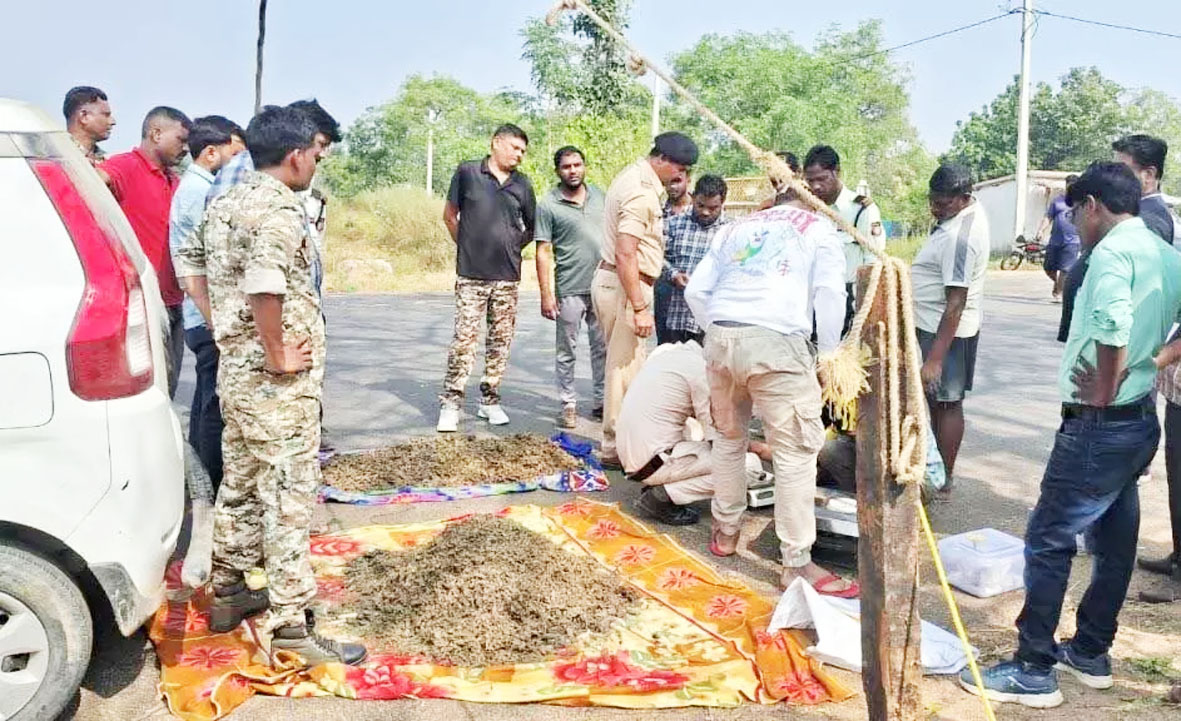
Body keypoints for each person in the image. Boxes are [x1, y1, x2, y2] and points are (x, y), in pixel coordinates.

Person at [963, 162, 1181, 708]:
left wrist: (1107, 385)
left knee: (1048, 540)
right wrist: (1151, 363)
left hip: (1098, 425)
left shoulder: (1111, 255)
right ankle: (1088, 651)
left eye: (1071, 213)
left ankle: (1033, 667)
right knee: (1113, 543)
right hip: (1135, 422)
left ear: (1090, 205)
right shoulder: (1164, 252)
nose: (1071, 226)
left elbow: (1110, 325)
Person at [202, 105, 366, 667]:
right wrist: (273, 352)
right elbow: (266, 281)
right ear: (296, 155)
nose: (318, 163)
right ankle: (292, 623)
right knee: (289, 497)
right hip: (277, 386)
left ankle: (227, 589)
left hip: (238, 375)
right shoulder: (279, 208)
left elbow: (193, 270)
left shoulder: (224, 202)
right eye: (317, 154)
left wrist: (233, 338)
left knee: (241, 482)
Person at [684, 191, 856, 597]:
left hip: (722, 334)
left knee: (728, 439)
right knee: (796, 450)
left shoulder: (735, 227)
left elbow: (695, 291)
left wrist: (718, 331)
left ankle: (726, 532)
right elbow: (830, 295)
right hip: (777, 340)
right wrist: (828, 357)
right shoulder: (820, 227)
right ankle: (796, 564)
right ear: (811, 204)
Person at [593, 132, 698, 467]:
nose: (679, 177)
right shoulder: (641, 191)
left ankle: (624, 443)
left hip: (623, 282)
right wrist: (638, 306)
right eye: (678, 169)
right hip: (626, 285)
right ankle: (615, 448)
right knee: (622, 372)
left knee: (628, 370)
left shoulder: (635, 178)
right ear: (663, 160)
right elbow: (626, 253)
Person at [437, 124, 536, 432]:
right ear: (496, 143)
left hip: (507, 277)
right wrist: (467, 244)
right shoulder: (468, 172)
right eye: (514, 147)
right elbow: (449, 215)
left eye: (523, 151)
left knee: (500, 342)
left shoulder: (523, 184)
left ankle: (489, 401)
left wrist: (510, 246)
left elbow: (532, 228)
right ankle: (451, 403)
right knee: (464, 341)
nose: (519, 155)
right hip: (471, 275)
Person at [169, 116, 245, 488]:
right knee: (214, 405)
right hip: (207, 313)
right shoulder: (201, 193)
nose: (239, 163)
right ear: (212, 152)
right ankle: (212, 484)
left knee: (204, 401)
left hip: (201, 313)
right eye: (235, 154)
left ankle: (201, 480)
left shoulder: (195, 187)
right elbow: (200, 261)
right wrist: (217, 318)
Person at [619, 340, 771, 526]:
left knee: (696, 430)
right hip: (650, 463)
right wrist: (762, 450)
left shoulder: (673, 353)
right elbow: (722, 442)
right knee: (749, 465)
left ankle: (663, 485)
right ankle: (662, 496)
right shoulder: (703, 374)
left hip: (635, 455)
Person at [99, 106, 192, 398]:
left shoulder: (174, 180)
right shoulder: (125, 166)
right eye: (180, 139)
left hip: (174, 300)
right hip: (144, 302)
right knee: (150, 391)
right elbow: (93, 183)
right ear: (155, 133)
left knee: (170, 383)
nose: (186, 149)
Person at [910, 163, 990, 494]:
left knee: (946, 402)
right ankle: (934, 470)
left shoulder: (961, 237)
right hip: (931, 324)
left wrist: (935, 360)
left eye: (943, 203)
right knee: (934, 402)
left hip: (946, 332)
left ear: (964, 198)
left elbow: (955, 302)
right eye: (933, 200)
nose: (934, 208)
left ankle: (943, 479)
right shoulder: (954, 220)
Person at [535, 145, 606, 429]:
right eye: (566, 167)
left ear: (584, 166)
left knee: (602, 347)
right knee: (567, 350)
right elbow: (543, 251)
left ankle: (602, 402)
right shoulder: (548, 204)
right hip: (569, 289)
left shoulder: (601, 196)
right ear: (558, 171)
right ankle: (568, 404)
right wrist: (546, 294)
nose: (573, 171)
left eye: (577, 165)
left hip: (602, 287)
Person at [803, 145, 884, 334]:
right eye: (810, 180)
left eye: (822, 179)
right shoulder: (808, 209)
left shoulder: (862, 209)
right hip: (810, 300)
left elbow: (873, 265)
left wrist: (865, 316)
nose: (816, 186)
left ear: (837, 172)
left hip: (848, 301)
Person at [658, 175, 728, 346]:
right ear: (693, 197)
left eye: (713, 208)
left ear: (723, 203)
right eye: (700, 205)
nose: (705, 212)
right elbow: (658, 257)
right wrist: (673, 274)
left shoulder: (730, 232)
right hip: (675, 314)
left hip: (710, 319)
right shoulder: (674, 224)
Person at [1113, 134, 1177, 245]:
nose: (1113, 177)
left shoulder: (1149, 221)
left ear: (1148, 174)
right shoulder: (1144, 212)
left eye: (1120, 170)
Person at [1037, 174, 1081, 302]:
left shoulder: (1081, 202)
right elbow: (1048, 217)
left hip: (1073, 241)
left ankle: (1060, 292)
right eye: (1068, 185)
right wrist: (1041, 231)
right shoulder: (1058, 201)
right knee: (1048, 267)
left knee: (1065, 269)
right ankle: (1057, 283)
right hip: (1055, 240)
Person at [63, 86, 115, 166]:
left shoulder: (108, 163)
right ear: (84, 116)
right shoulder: (54, 156)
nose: (113, 122)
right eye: (106, 115)